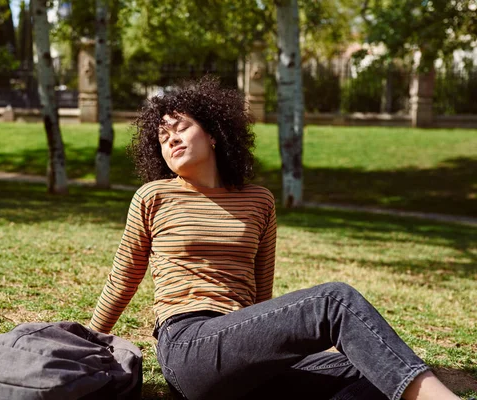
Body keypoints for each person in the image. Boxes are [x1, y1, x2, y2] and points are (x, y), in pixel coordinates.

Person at [88, 77, 461, 400]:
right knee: (334, 300)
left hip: (242, 348)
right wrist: (89, 339)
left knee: (374, 370)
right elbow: (124, 278)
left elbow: (260, 296)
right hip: (188, 346)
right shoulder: (154, 196)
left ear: (214, 133)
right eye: (163, 137)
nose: (171, 140)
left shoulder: (258, 200)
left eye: (180, 128)